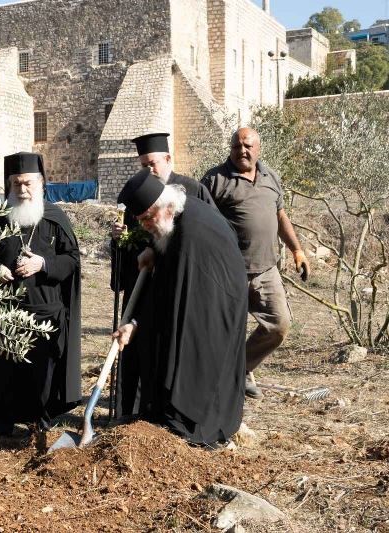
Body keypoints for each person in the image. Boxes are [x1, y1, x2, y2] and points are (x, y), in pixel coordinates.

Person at [113, 169, 248, 447]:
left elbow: (171, 300)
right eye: (141, 221)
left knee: (191, 360)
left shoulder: (190, 237)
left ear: (166, 206)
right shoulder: (181, 216)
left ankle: (187, 422)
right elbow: (166, 286)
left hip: (211, 308)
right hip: (206, 300)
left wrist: (137, 324)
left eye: (148, 218)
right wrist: (154, 249)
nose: (146, 225)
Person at [0, 152, 82, 443]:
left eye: (27, 184)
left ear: (41, 183)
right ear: (9, 185)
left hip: (45, 309)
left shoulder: (55, 218)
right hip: (6, 311)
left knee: (42, 373)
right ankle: (0, 423)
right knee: (2, 372)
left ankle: (41, 423)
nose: (22, 190)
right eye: (16, 184)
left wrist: (43, 264)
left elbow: (71, 259)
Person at [109, 132, 215, 418]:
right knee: (136, 350)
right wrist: (119, 240)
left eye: (152, 163)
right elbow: (128, 241)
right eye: (143, 165)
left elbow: (206, 236)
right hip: (141, 285)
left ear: (168, 159)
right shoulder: (136, 192)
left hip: (176, 286)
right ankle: (130, 414)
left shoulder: (193, 191)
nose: (148, 170)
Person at [201, 128, 310, 400]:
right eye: (237, 146)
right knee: (224, 331)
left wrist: (296, 250)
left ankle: (241, 369)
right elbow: (199, 221)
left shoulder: (270, 176)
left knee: (279, 325)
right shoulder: (215, 179)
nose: (242, 151)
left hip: (266, 270)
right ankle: (212, 387)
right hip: (228, 272)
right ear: (230, 148)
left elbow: (280, 215)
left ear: (258, 148)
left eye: (248, 146)